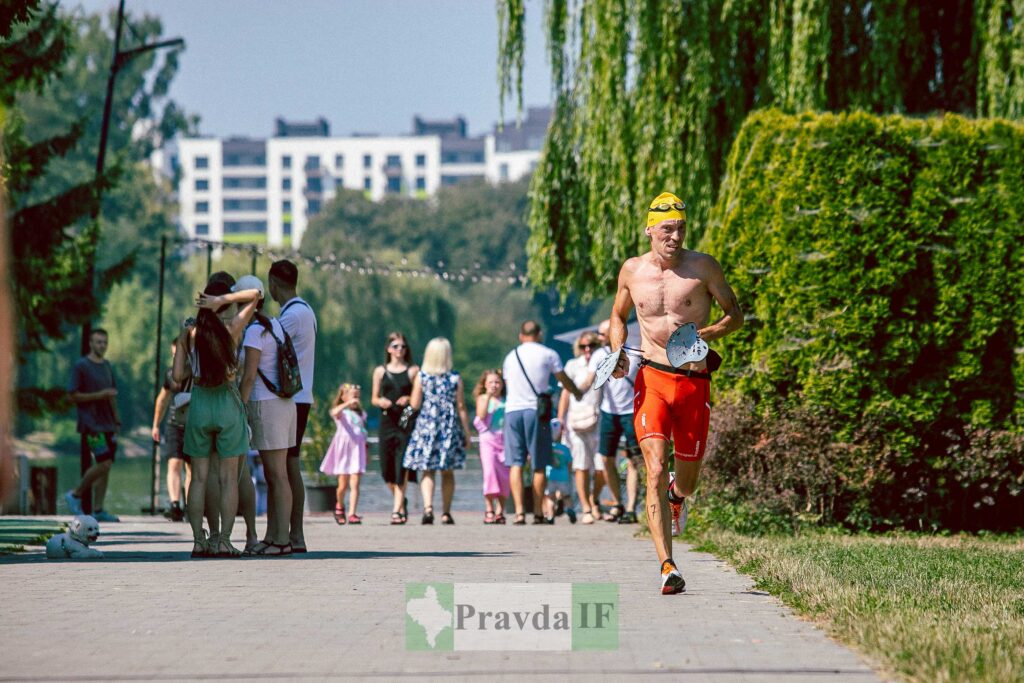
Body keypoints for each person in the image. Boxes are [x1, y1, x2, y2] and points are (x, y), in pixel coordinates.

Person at [607, 192, 743, 594]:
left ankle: (676, 495)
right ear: (650, 229)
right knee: (651, 468)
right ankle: (667, 565)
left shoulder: (703, 267)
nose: (675, 236)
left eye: (681, 228)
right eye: (667, 228)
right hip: (651, 379)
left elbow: (735, 315)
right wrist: (617, 352)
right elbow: (617, 315)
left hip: (692, 382)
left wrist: (706, 334)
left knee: (688, 480)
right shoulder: (632, 271)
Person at [174, 280, 262, 558]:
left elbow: (177, 377)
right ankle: (223, 540)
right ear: (223, 303)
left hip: (199, 402)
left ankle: (200, 540)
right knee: (227, 479)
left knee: (198, 478)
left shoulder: (190, 332)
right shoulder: (232, 329)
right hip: (227, 403)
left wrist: (185, 339)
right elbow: (257, 295)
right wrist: (222, 299)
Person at [501, 320, 583, 525]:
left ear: (521, 336)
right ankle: (538, 512)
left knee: (516, 463)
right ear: (539, 334)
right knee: (538, 464)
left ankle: (519, 512)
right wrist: (576, 392)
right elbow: (562, 378)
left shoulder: (510, 357)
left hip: (512, 411)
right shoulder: (548, 354)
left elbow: (508, 385)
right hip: (536, 412)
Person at [238, 274, 296, 557]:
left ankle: (281, 540)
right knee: (277, 476)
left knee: (276, 475)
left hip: (266, 405)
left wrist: (239, 407)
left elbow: (248, 377)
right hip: (286, 404)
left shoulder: (253, 331)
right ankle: (274, 537)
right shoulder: (274, 324)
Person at [268, 259, 317, 553]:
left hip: (289, 399)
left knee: (286, 467)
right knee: (289, 465)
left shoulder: (291, 316)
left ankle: (291, 534)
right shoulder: (306, 311)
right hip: (302, 396)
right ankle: (288, 533)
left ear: (274, 282)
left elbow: (266, 348)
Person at [577, 320, 642, 523]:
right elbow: (590, 379)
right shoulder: (599, 354)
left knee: (633, 460)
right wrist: (576, 390)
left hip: (632, 411)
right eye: (601, 335)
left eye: (604, 334)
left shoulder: (636, 352)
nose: (601, 338)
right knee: (606, 458)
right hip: (608, 412)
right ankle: (618, 502)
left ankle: (631, 507)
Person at [403, 337, 470, 525]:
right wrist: (467, 432)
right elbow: (461, 406)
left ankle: (428, 508)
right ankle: (446, 513)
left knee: (428, 470)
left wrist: (404, 409)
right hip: (448, 427)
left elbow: (415, 404)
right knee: (447, 471)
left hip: (427, 426)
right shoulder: (455, 378)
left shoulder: (422, 377)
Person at [65, 328, 121, 522]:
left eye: (105, 342)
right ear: (90, 343)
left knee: (106, 466)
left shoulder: (106, 365)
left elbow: (111, 394)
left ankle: (98, 509)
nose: (102, 346)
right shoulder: (81, 366)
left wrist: (117, 419)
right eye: (98, 342)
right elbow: (72, 396)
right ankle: (76, 494)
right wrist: (99, 395)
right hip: (91, 424)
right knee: (104, 462)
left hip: (107, 424)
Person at [370, 332, 419, 524]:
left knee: (402, 466)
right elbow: (373, 397)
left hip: (405, 422)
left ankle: (397, 509)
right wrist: (380, 401)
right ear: (389, 349)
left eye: (403, 347)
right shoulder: (380, 371)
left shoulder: (414, 371)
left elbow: (418, 396)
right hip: (387, 421)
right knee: (386, 470)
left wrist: (408, 398)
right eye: (396, 346)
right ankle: (401, 500)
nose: (400, 350)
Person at [557, 331, 602, 524]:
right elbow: (566, 394)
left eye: (592, 345)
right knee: (581, 466)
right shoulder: (572, 365)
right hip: (576, 419)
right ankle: (585, 507)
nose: (587, 349)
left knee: (602, 468)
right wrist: (560, 419)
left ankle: (594, 497)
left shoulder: (604, 363)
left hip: (599, 419)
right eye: (584, 346)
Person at [151, 339, 191, 521]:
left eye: (180, 355)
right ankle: (175, 504)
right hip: (174, 423)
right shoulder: (170, 374)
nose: (177, 359)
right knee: (174, 463)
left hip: (194, 423)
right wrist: (155, 424)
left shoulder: (199, 372)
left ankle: (191, 506)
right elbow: (162, 398)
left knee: (193, 467)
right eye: (174, 355)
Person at [319, 383, 367, 525]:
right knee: (342, 486)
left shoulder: (361, 414)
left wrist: (367, 451)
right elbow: (334, 412)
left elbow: (363, 434)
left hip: (357, 451)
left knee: (355, 483)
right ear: (344, 397)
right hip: (344, 452)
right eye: (353, 396)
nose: (356, 400)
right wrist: (346, 404)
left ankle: (352, 513)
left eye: (357, 397)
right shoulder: (342, 413)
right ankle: (339, 506)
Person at [472, 369, 510, 524]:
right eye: (491, 382)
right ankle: (489, 508)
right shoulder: (482, 398)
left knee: (504, 477)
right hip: (488, 440)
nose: (494, 385)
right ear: (484, 384)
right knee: (490, 473)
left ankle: (500, 510)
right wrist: (488, 396)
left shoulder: (507, 399)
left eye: (497, 382)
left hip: (505, 440)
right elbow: (481, 415)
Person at [543, 420, 576, 523]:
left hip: (550, 476)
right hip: (563, 477)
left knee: (550, 497)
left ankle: (550, 516)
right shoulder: (565, 449)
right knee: (566, 496)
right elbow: (569, 463)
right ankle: (570, 509)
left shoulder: (547, 448)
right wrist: (570, 471)